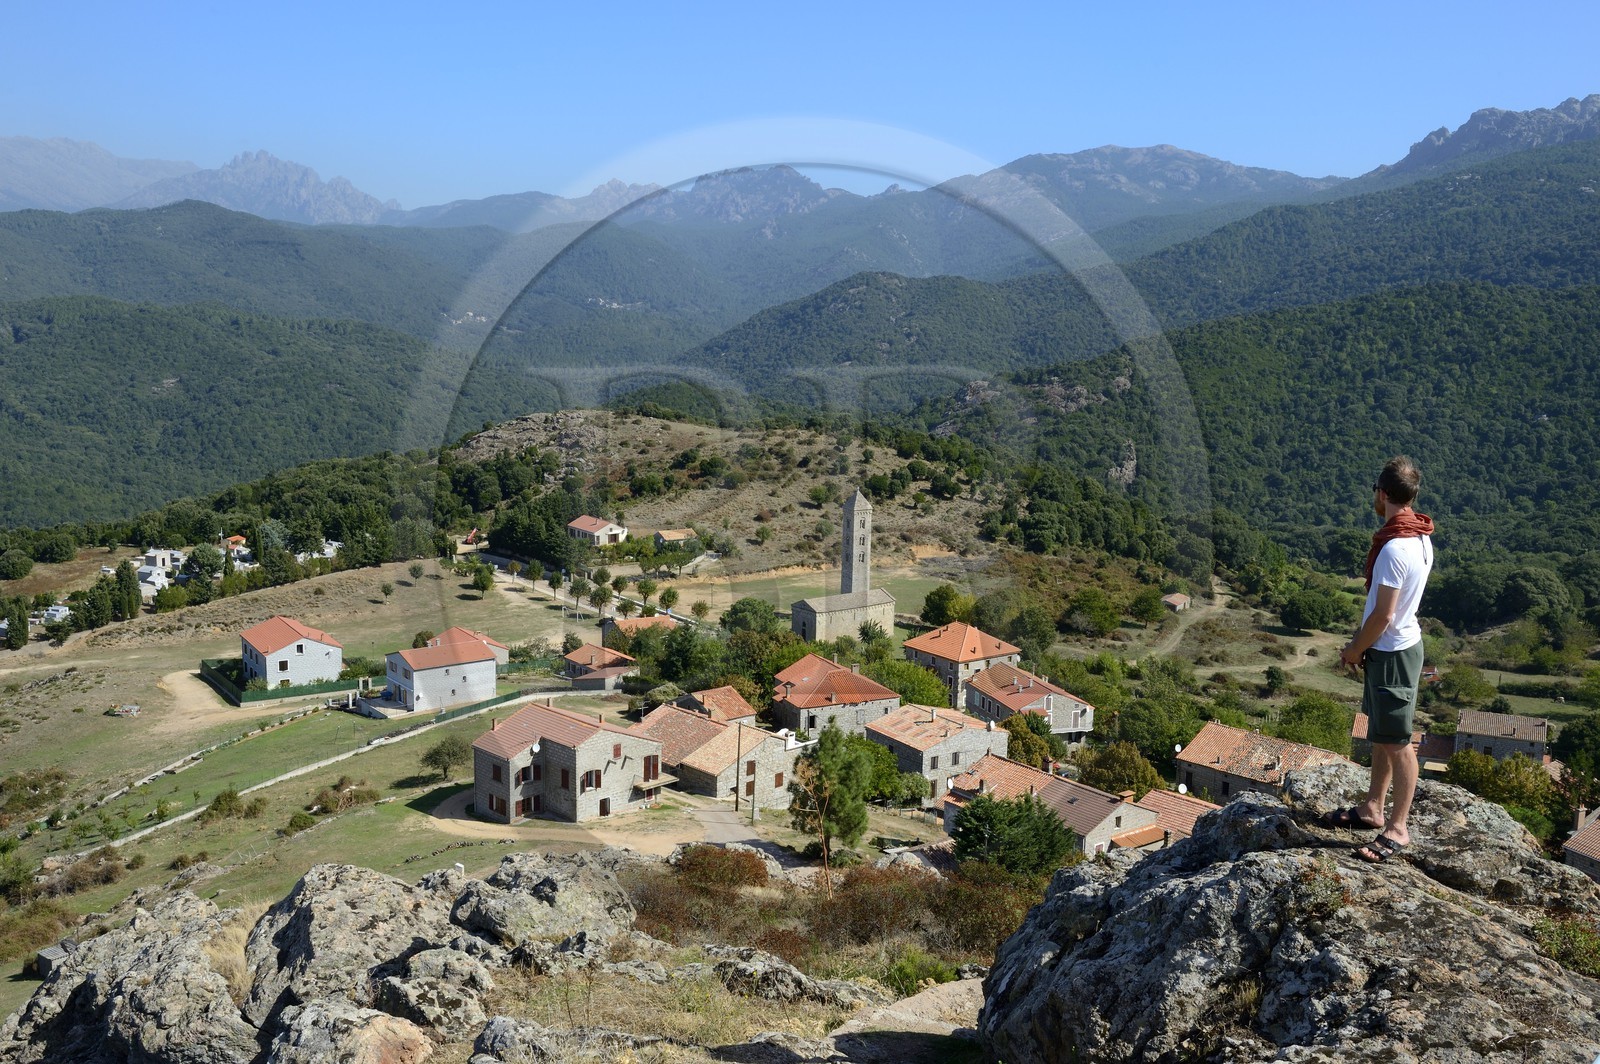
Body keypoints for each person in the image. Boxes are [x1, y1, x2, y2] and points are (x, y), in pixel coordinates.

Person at [1331, 456, 1434, 862]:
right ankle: (1373, 808)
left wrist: (1354, 648)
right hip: (1395, 648)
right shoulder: (1421, 534)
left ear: (1383, 494)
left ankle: (1397, 829)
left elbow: (1383, 615)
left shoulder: (1394, 548)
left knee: (1397, 742)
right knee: (1381, 734)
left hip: (1390, 651)